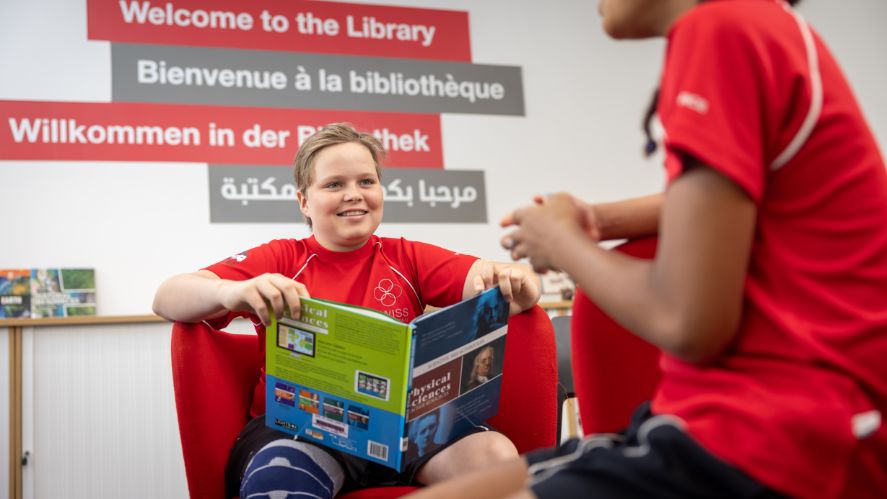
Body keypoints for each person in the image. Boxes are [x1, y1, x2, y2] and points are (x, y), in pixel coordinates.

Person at [407, 0, 887, 498]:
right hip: (738, 422)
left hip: (778, 439)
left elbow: (688, 323)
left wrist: (563, 243)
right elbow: (732, 198)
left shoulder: (722, 29)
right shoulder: (757, 25)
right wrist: (594, 221)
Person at [152, 123, 541, 499]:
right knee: (281, 477)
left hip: (403, 430)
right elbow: (167, 296)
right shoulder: (282, 257)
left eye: (366, 181)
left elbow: (508, 288)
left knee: (498, 463)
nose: (353, 194)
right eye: (334, 184)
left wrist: (513, 279)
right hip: (303, 427)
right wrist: (235, 290)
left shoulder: (406, 256)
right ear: (304, 200)